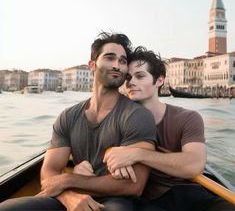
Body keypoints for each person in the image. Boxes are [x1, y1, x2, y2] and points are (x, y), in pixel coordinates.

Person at [0, 33, 157, 211]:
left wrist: (68, 180)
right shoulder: (68, 116)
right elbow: (49, 171)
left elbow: (132, 185)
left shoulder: (137, 116)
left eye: (122, 61)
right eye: (110, 58)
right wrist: (68, 196)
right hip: (69, 195)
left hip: (115, 200)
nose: (116, 65)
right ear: (92, 65)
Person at [104, 46, 235, 211]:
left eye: (140, 76)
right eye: (128, 77)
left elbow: (194, 164)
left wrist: (137, 154)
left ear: (159, 80)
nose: (131, 82)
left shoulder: (187, 118)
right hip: (153, 201)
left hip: (191, 193)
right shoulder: (119, 119)